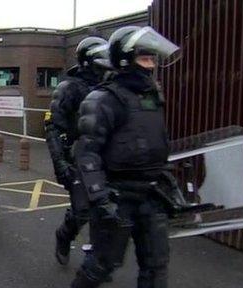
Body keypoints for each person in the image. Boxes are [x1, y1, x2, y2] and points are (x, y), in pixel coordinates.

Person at [69, 26, 181, 288]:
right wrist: (100, 198)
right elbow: (87, 153)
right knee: (101, 265)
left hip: (152, 196)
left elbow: (156, 144)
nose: (150, 65)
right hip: (117, 196)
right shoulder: (102, 99)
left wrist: (169, 182)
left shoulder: (153, 97)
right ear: (124, 59)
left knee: (156, 265)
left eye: (153, 59)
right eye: (144, 58)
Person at [44, 36, 111, 265]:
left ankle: (97, 260)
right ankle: (64, 235)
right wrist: (60, 162)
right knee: (82, 210)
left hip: (105, 157)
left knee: (104, 210)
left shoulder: (109, 87)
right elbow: (52, 126)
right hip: (77, 157)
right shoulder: (69, 88)